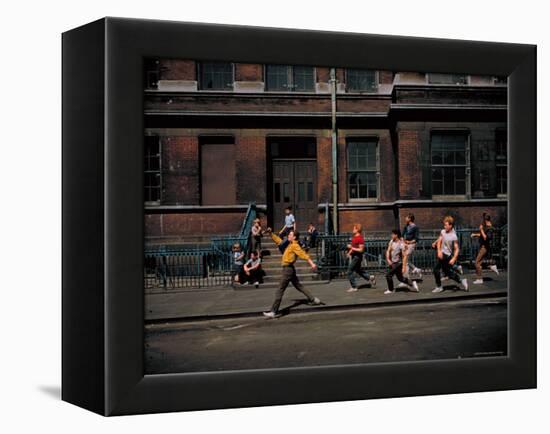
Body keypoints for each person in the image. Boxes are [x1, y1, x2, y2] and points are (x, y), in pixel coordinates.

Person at [262, 227, 322, 318]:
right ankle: (314, 299)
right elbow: (279, 241)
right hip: (290, 269)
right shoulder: (289, 244)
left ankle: (274, 311)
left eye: (290, 235)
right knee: (299, 286)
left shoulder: (295, 246)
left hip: (288, 270)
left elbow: (303, 254)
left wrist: (312, 263)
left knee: (280, 289)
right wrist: (271, 234)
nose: (288, 236)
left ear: (294, 237)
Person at [432, 216, 469, 293]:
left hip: (446, 255)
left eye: (446, 225)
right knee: (447, 272)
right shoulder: (443, 231)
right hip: (442, 253)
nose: (444, 226)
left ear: (450, 225)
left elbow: (457, 248)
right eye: (444, 225)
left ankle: (439, 287)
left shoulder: (453, 236)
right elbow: (439, 240)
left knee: (436, 270)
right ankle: (462, 281)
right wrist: (437, 248)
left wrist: (454, 258)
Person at [384, 229, 419, 294]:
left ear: (396, 235)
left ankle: (390, 290)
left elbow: (404, 256)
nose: (391, 235)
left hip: (398, 263)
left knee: (388, 275)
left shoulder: (401, 244)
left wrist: (404, 267)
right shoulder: (391, 241)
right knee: (400, 278)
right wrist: (388, 259)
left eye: (392, 234)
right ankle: (412, 283)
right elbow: (388, 250)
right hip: (393, 262)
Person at [346, 223, 376, 292]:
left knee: (349, 271)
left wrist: (351, 248)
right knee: (358, 270)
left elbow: (361, 250)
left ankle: (354, 287)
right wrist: (349, 253)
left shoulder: (360, 238)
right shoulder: (354, 237)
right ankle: (370, 277)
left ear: (357, 229)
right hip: (354, 256)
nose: (352, 230)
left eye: (354, 228)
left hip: (357, 257)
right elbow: (353, 247)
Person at [471, 213, 499, 284]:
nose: (483, 222)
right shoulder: (487, 227)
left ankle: (480, 279)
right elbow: (482, 235)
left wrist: (481, 229)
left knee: (477, 262)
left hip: (485, 247)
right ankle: (491, 266)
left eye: (484, 220)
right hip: (483, 247)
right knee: (479, 262)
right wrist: (475, 234)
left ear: (486, 220)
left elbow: (486, 237)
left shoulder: (490, 229)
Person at [402, 213, 422, 279]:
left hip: (411, 244)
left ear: (410, 219)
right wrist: (404, 242)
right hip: (406, 244)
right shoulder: (406, 226)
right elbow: (402, 235)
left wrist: (409, 242)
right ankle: (416, 269)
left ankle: (406, 277)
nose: (405, 219)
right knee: (405, 260)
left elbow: (416, 239)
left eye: (406, 217)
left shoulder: (415, 227)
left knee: (405, 258)